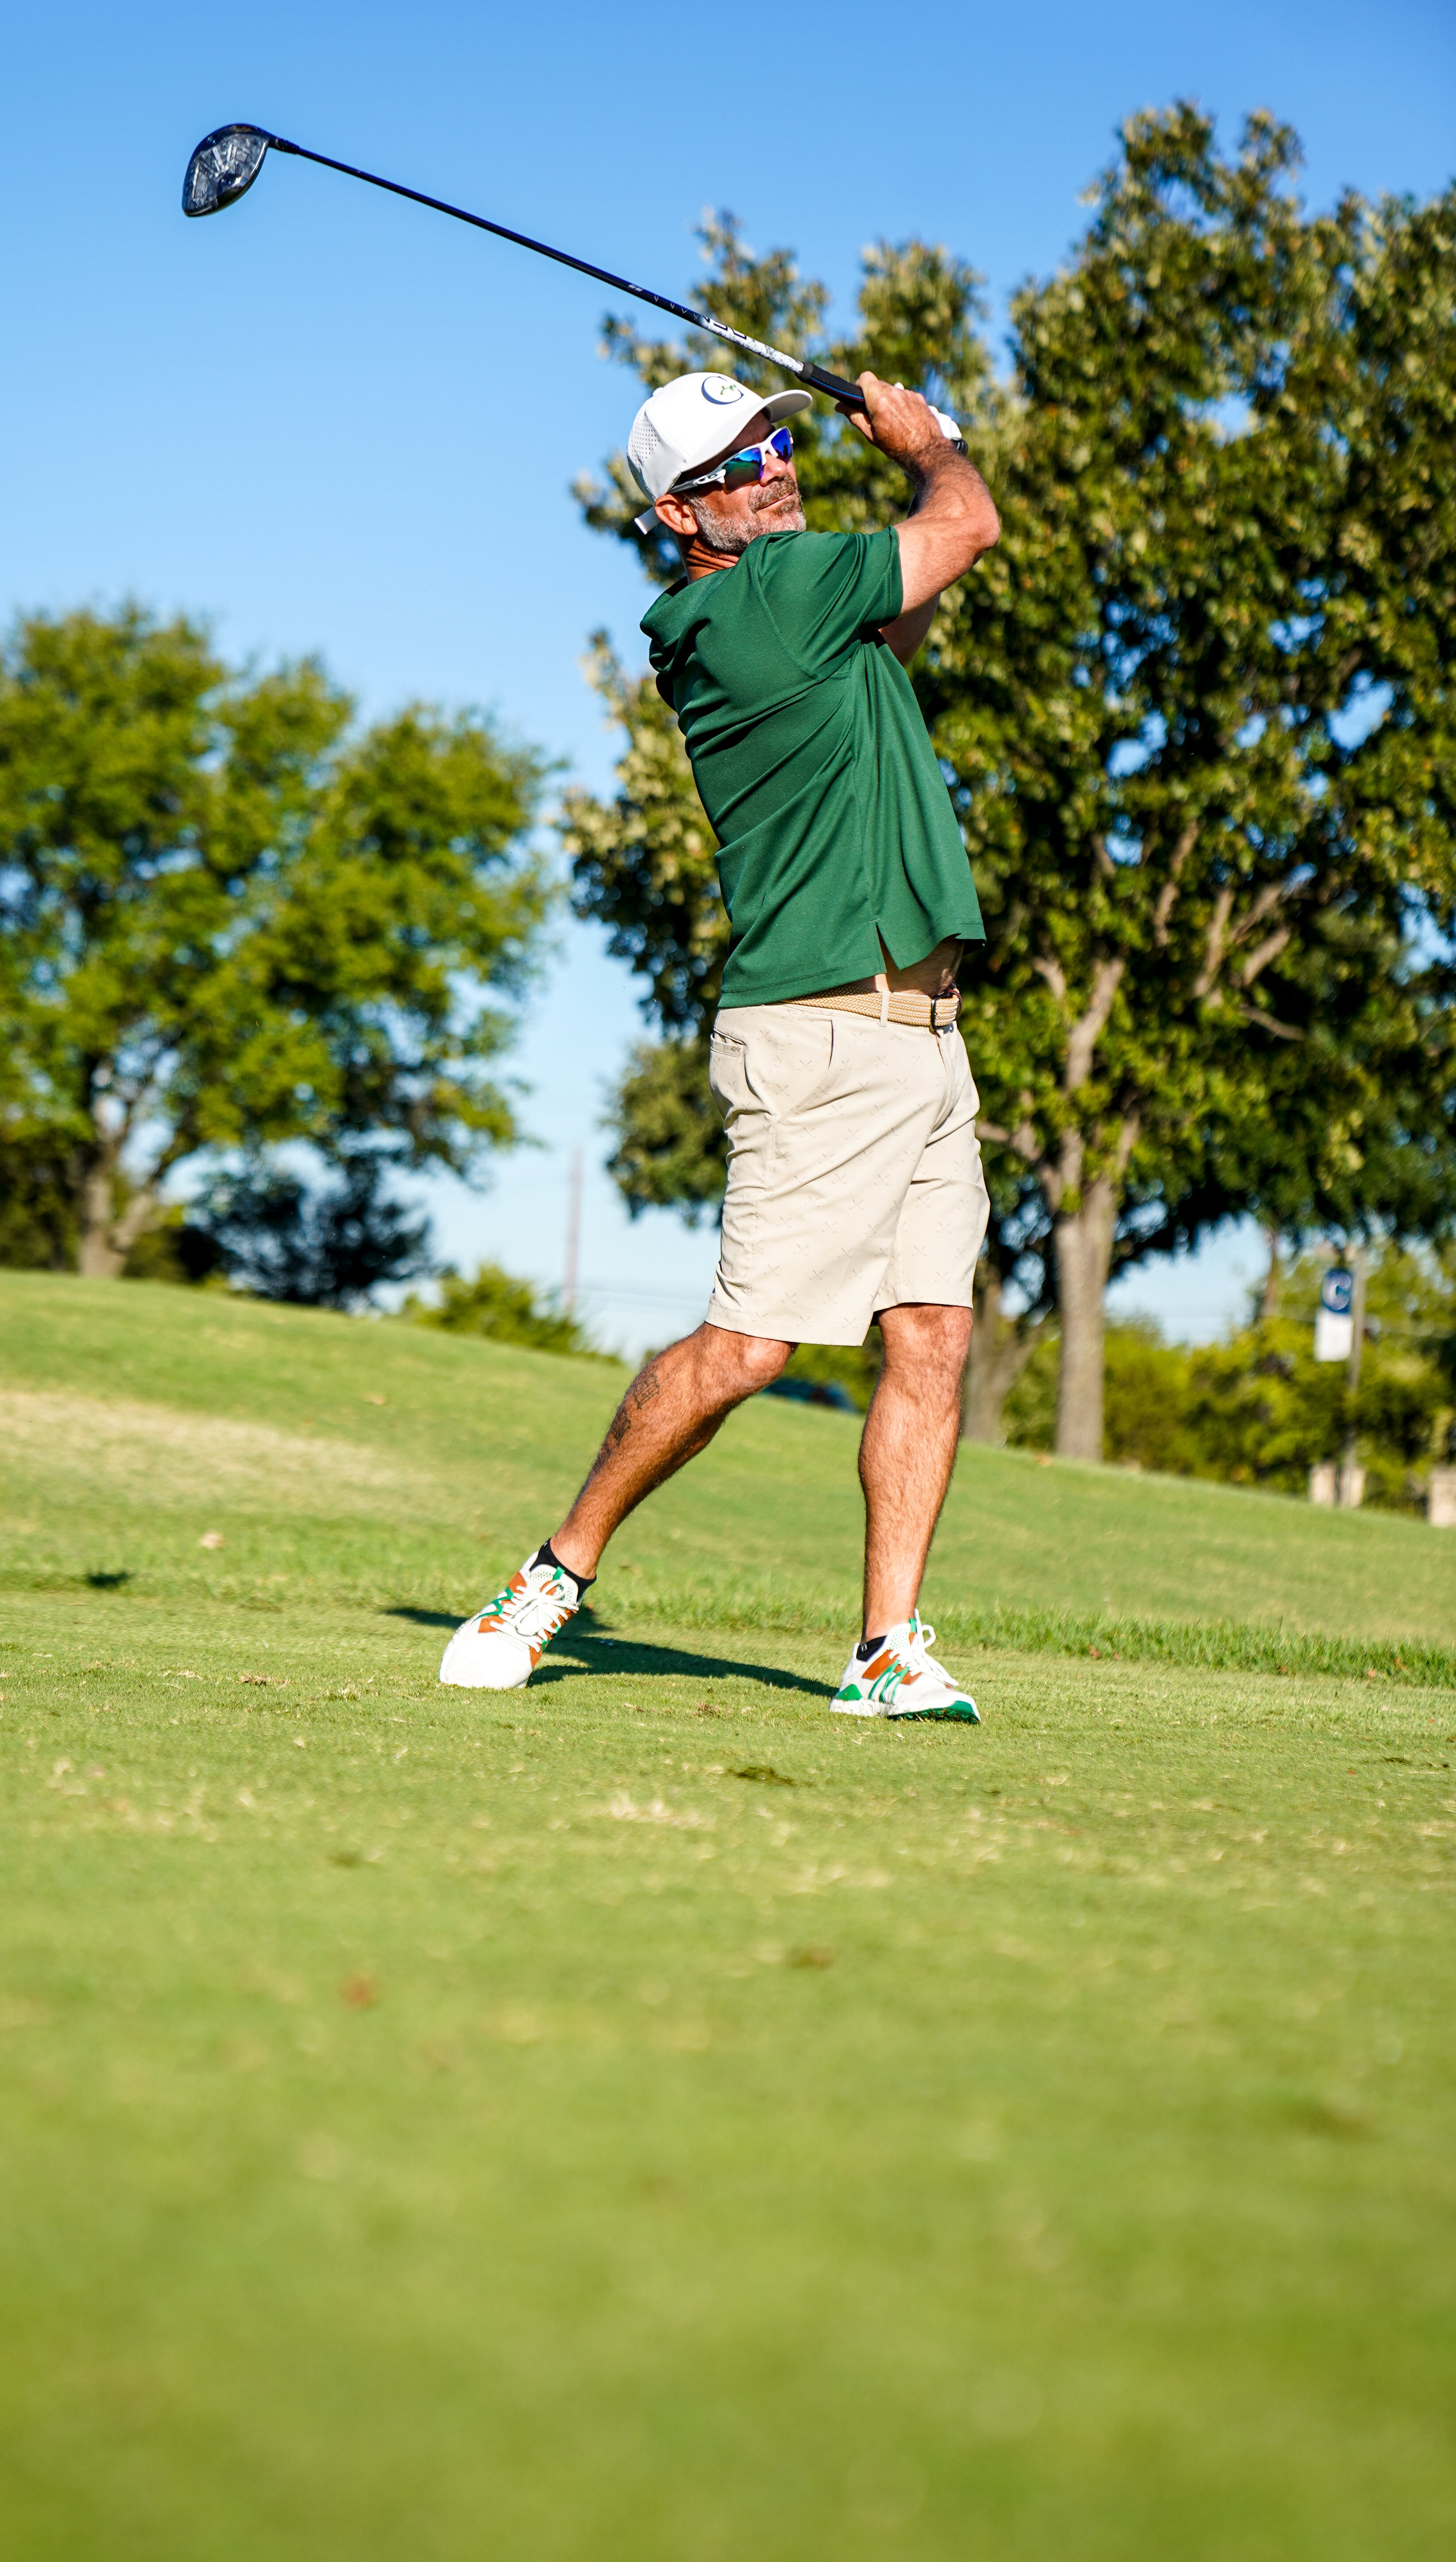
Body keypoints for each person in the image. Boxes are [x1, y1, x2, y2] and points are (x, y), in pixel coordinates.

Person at [440, 364, 1001, 1720]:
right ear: (682, 517)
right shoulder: (762, 602)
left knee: (931, 1337)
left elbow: (911, 613)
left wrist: (923, 472)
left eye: (783, 441)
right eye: (744, 465)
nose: (779, 471)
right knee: (748, 1349)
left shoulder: (797, 614)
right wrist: (930, 449)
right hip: (819, 1035)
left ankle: (885, 1650)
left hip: (923, 1031)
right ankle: (550, 1579)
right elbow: (967, 529)